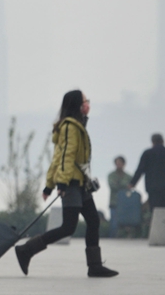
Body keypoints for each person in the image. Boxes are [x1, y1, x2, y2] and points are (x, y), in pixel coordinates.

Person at [14, 90, 118, 278]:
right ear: (77, 104)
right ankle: (26, 250)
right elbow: (65, 157)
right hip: (71, 183)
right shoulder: (70, 127)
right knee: (68, 227)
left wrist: (49, 184)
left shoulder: (77, 125)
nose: (87, 104)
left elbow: (57, 158)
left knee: (93, 220)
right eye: (85, 101)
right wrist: (59, 184)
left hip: (81, 184)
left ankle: (95, 266)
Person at [128, 133, 165, 209]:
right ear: (163, 141)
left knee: (155, 208)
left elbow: (139, 170)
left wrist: (132, 183)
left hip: (152, 187)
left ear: (152, 142)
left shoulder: (147, 154)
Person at [107, 156, 132, 238]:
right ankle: (112, 239)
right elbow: (112, 186)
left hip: (125, 203)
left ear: (123, 164)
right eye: (117, 163)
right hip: (114, 202)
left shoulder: (128, 176)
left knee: (126, 224)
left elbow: (130, 187)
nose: (118, 165)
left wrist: (120, 184)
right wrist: (124, 185)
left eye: (120, 163)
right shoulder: (111, 175)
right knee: (113, 224)